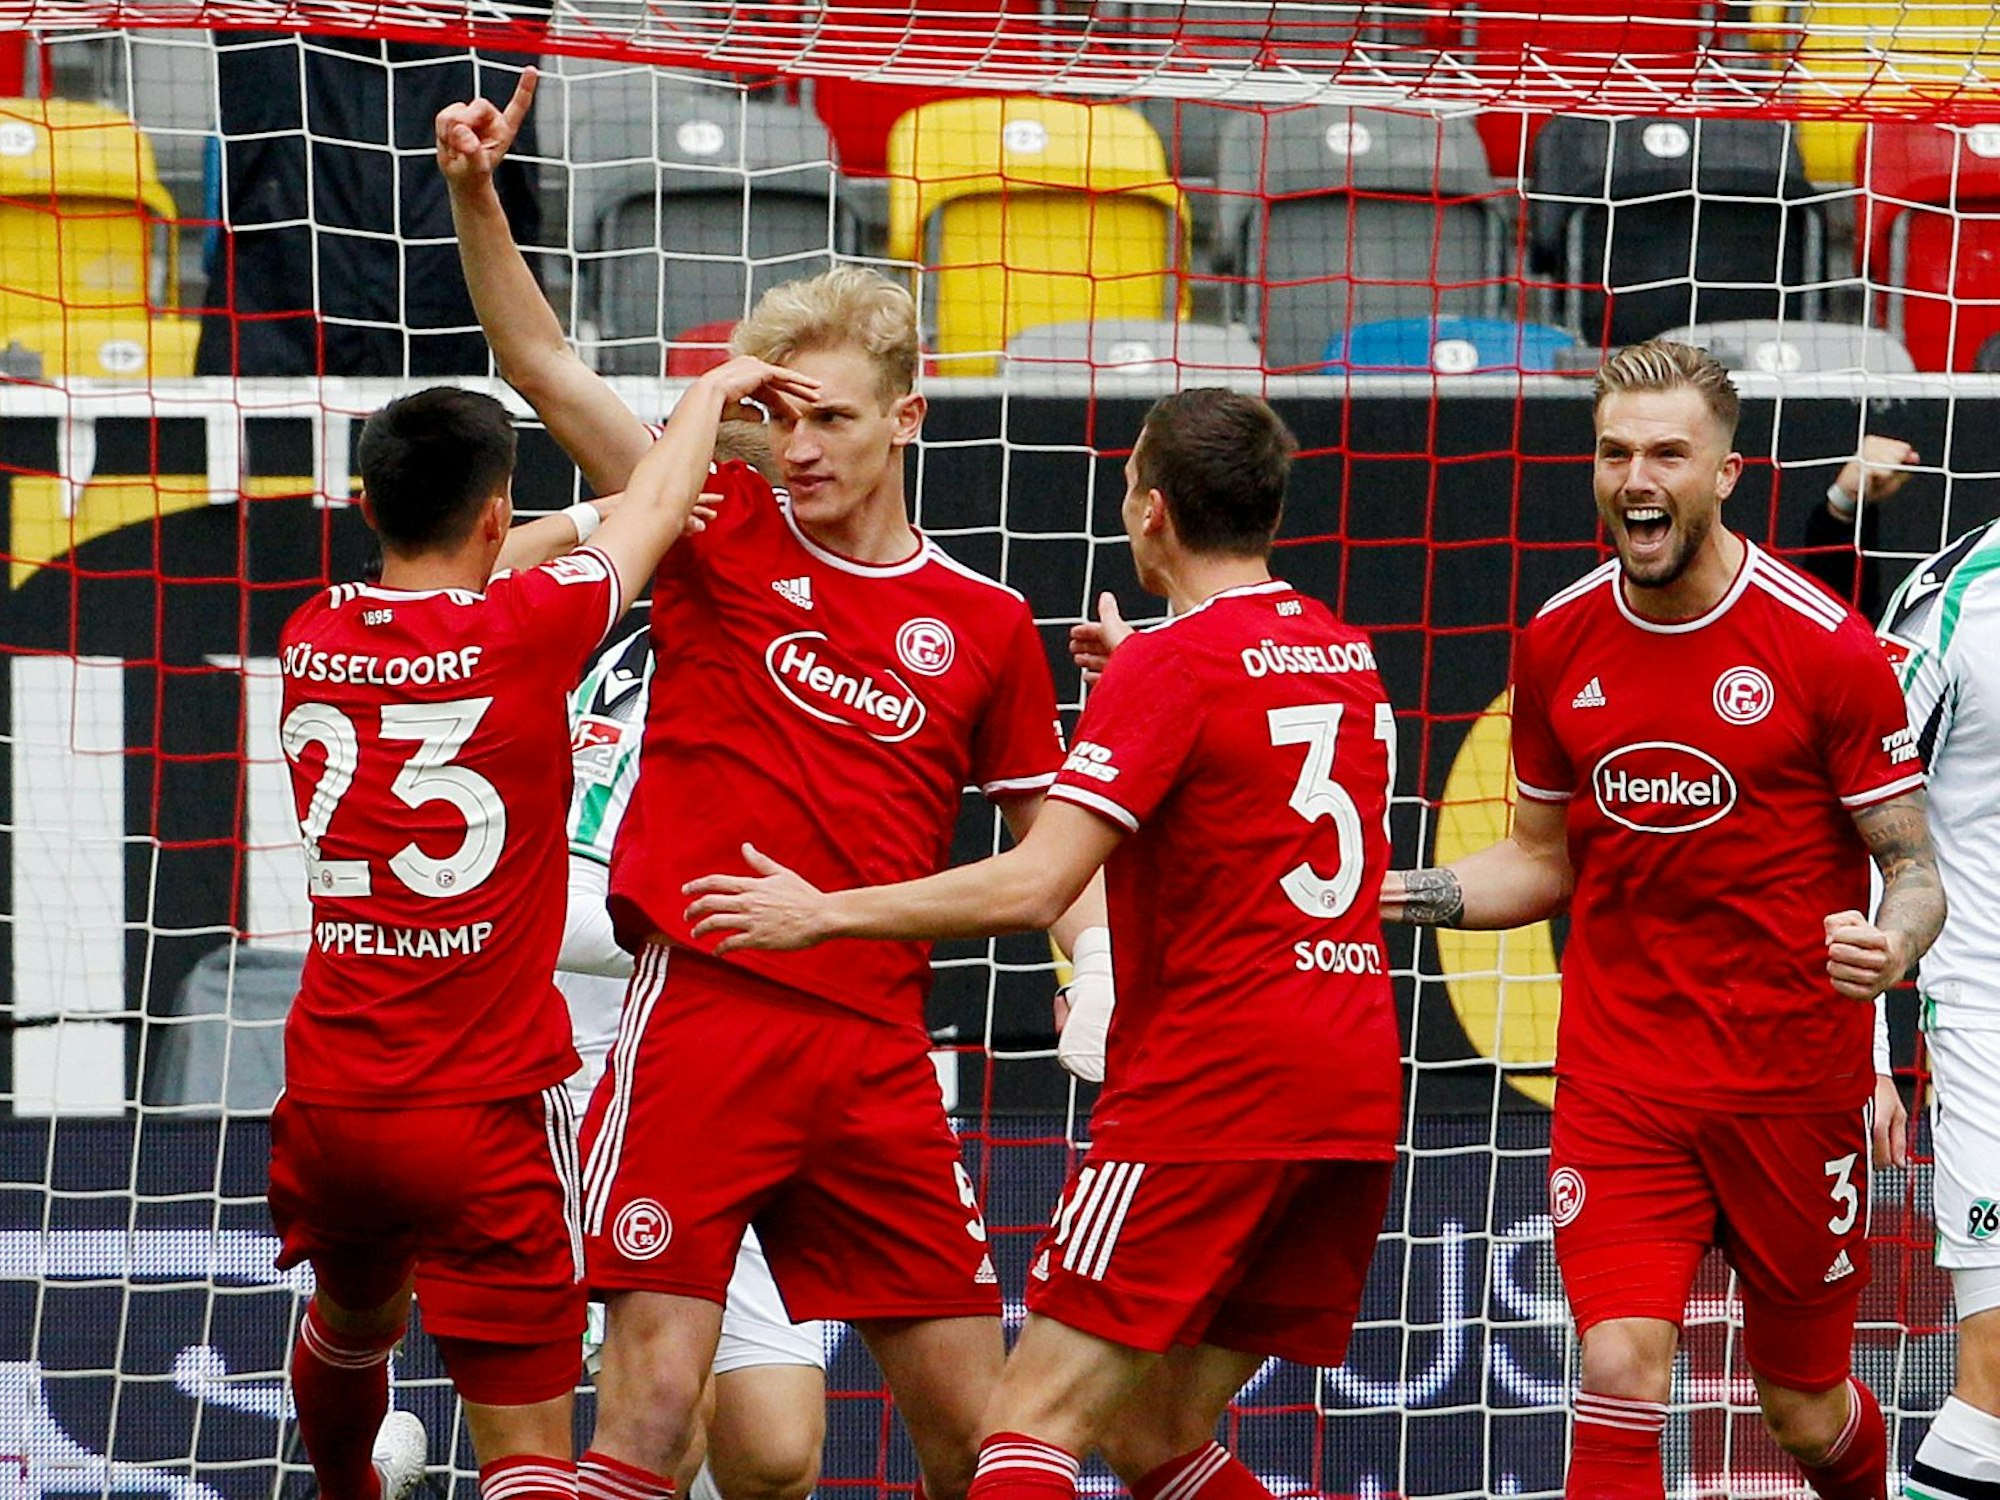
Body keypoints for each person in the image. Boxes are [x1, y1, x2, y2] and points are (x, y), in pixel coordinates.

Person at [436, 67, 1113, 1500]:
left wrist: (1096, 969)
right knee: (650, 1420)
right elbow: (543, 365)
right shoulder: (717, 523)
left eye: (833, 422)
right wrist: (476, 196)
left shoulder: (986, 623)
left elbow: (1049, 855)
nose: (799, 448)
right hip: (705, 1019)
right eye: (783, 417)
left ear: (908, 417)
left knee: (979, 1436)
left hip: (876, 1051)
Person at [682, 388, 1402, 1500]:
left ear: (1152, 512)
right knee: (1152, 1427)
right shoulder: (1344, 656)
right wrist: (1143, 678)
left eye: (1128, 488)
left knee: (1023, 1427)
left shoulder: (1173, 667)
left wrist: (822, 912)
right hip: (1349, 1088)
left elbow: (1036, 885)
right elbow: (1249, 769)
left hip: (1212, 1090)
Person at [1380, 339, 1945, 1500]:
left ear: (1725, 474)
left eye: (1666, 455)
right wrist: (1396, 895)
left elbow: (1911, 869)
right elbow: (1537, 860)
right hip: (1623, 1079)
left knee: (1800, 1407)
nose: (1635, 479)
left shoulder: (1825, 647)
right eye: (1613, 454)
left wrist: (1891, 942)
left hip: (1789, 1081)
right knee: (1617, 1365)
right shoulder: (1558, 638)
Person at [270, 360, 814, 1500]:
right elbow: (658, 512)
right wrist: (710, 395)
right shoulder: (528, 630)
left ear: (366, 505)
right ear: (492, 513)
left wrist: (574, 516)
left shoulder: (311, 631)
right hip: (484, 1105)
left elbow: (496, 559)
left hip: (332, 1092)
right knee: (527, 1446)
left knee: (351, 1325)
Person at [556, 423, 828, 1500]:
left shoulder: (818, 656)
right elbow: (562, 908)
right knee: (663, 1423)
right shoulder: (609, 647)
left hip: (745, 1061)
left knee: (777, 1455)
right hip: (601, 1068)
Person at [1877, 520, 2000, 1500]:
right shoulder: (1951, 603)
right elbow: (1857, 818)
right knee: (1996, 1379)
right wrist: (1868, 1058)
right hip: (1986, 1023)